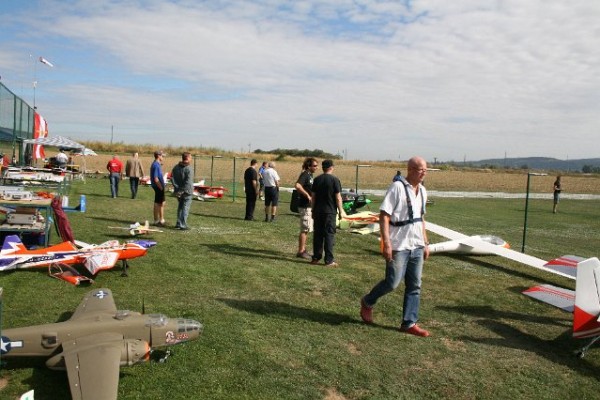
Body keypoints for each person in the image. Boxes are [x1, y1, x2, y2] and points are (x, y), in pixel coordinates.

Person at [360, 156, 431, 337]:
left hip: (416, 245)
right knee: (392, 282)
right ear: (411, 170)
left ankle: (409, 323)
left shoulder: (422, 190)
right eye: (421, 169)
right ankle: (368, 302)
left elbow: (421, 219)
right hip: (399, 245)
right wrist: (387, 243)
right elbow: (384, 216)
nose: (424, 173)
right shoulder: (397, 188)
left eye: (425, 169)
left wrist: (426, 242)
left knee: (415, 285)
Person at [310, 159, 346, 267]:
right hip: (329, 212)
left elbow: (313, 197)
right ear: (331, 167)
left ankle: (316, 258)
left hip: (318, 211)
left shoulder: (317, 179)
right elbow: (338, 198)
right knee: (329, 235)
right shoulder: (335, 180)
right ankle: (329, 260)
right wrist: (341, 211)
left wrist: (312, 210)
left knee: (318, 235)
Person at [295, 157, 318, 259]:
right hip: (305, 206)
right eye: (314, 166)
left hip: (309, 206)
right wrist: (307, 195)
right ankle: (301, 251)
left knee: (307, 228)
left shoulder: (310, 175)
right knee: (305, 229)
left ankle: (303, 249)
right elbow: (297, 185)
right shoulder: (305, 174)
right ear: (309, 166)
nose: (316, 167)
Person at [171, 152, 194, 230]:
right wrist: (182, 191)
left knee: (180, 207)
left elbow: (172, 179)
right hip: (187, 192)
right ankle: (182, 224)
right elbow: (188, 182)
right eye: (191, 157)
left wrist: (177, 189)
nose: (191, 159)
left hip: (178, 191)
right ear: (187, 158)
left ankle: (178, 223)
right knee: (185, 208)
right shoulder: (189, 168)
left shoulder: (175, 167)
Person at [150, 150, 166, 226]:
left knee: (161, 203)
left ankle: (161, 219)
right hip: (158, 187)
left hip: (158, 187)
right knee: (158, 203)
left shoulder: (157, 164)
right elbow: (156, 178)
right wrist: (161, 188)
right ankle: (157, 220)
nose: (163, 157)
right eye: (162, 156)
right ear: (158, 156)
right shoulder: (156, 165)